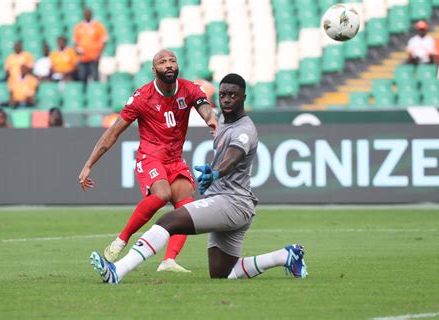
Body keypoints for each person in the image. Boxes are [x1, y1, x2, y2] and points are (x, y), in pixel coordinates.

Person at [89, 73, 308, 283]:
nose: (227, 99)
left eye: (233, 95)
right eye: (223, 95)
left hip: (232, 202)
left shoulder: (245, 130)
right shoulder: (225, 121)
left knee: (168, 222)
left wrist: (216, 172)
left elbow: (233, 156)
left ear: (244, 98)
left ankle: (118, 270)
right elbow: (205, 111)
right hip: (232, 203)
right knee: (222, 272)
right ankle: (286, 256)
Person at [79, 49, 218, 272]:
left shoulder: (189, 88)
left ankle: (169, 261)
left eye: (173, 60)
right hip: (150, 156)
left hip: (174, 159)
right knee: (162, 194)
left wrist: (211, 120)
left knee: (186, 205)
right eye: (163, 62)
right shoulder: (142, 98)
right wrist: (89, 164)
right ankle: (121, 240)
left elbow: (204, 108)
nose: (169, 64)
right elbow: (113, 133)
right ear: (154, 70)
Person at [73, 8, 108, 83]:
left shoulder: (97, 26)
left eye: (88, 13)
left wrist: (99, 54)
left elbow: (104, 40)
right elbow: (75, 41)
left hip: (93, 57)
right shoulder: (79, 26)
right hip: (83, 57)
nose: (87, 15)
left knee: (95, 76)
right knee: (82, 77)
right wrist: (77, 50)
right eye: (85, 13)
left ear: (91, 14)